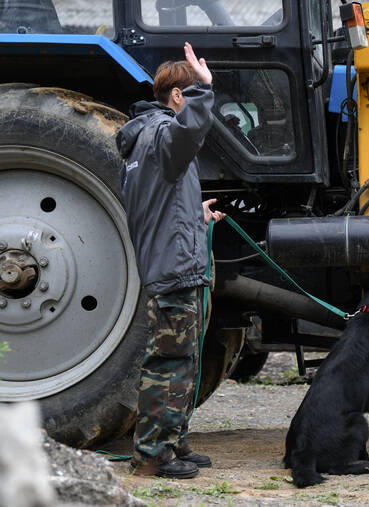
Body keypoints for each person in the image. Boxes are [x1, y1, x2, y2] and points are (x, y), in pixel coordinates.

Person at [116, 42, 224, 479]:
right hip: (174, 265)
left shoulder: (142, 138)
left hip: (170, 256)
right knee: (170, 361)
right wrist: (205, 86)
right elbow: (190, 130)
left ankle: (172, 441)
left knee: (182, 359)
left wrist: (195, 216)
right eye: (190, 93)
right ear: (177, 96)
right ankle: (152, 454)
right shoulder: (163, 132)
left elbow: (153, 202)